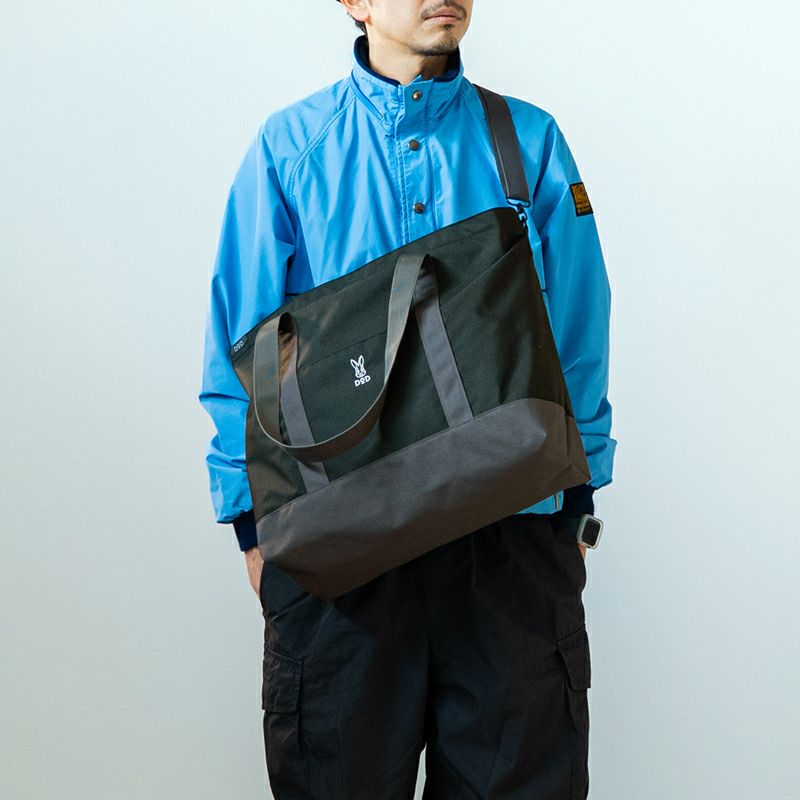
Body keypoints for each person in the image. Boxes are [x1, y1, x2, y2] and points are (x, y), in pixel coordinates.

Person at [198, 1, 617, 797]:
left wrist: (578, 499)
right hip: (339, 547)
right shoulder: (289, 149)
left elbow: (579, 324)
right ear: (353, 2)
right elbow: (241, 343)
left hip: (509, 537)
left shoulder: (529, 142)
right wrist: (251, 524)